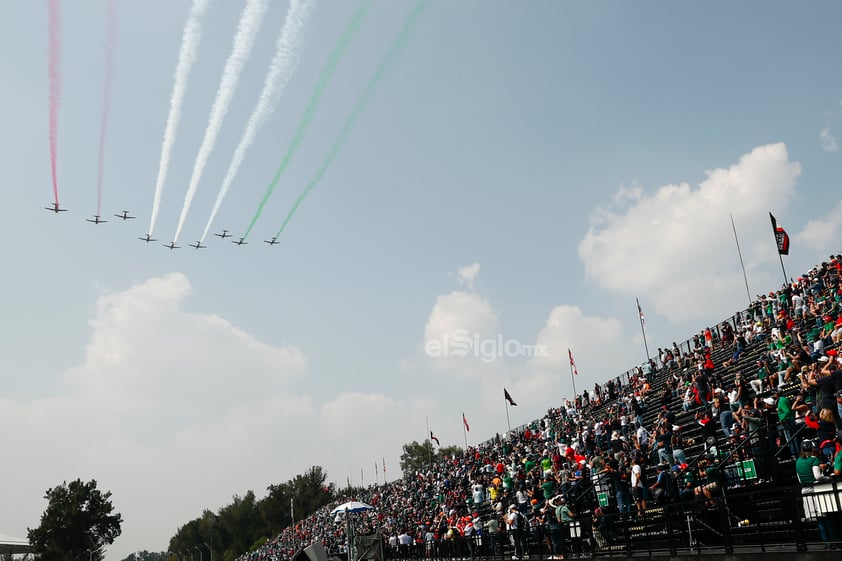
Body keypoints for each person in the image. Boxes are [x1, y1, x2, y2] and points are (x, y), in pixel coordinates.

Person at [795, 441, 838, 548]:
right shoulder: (813, 460)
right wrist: (829, 478)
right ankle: (834, 542)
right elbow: (817, 476)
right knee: (826, 517)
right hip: (816, 490)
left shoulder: (798, 461)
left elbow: (800, 479)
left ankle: (826, 543)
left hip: (805, 491)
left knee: (820, 520)